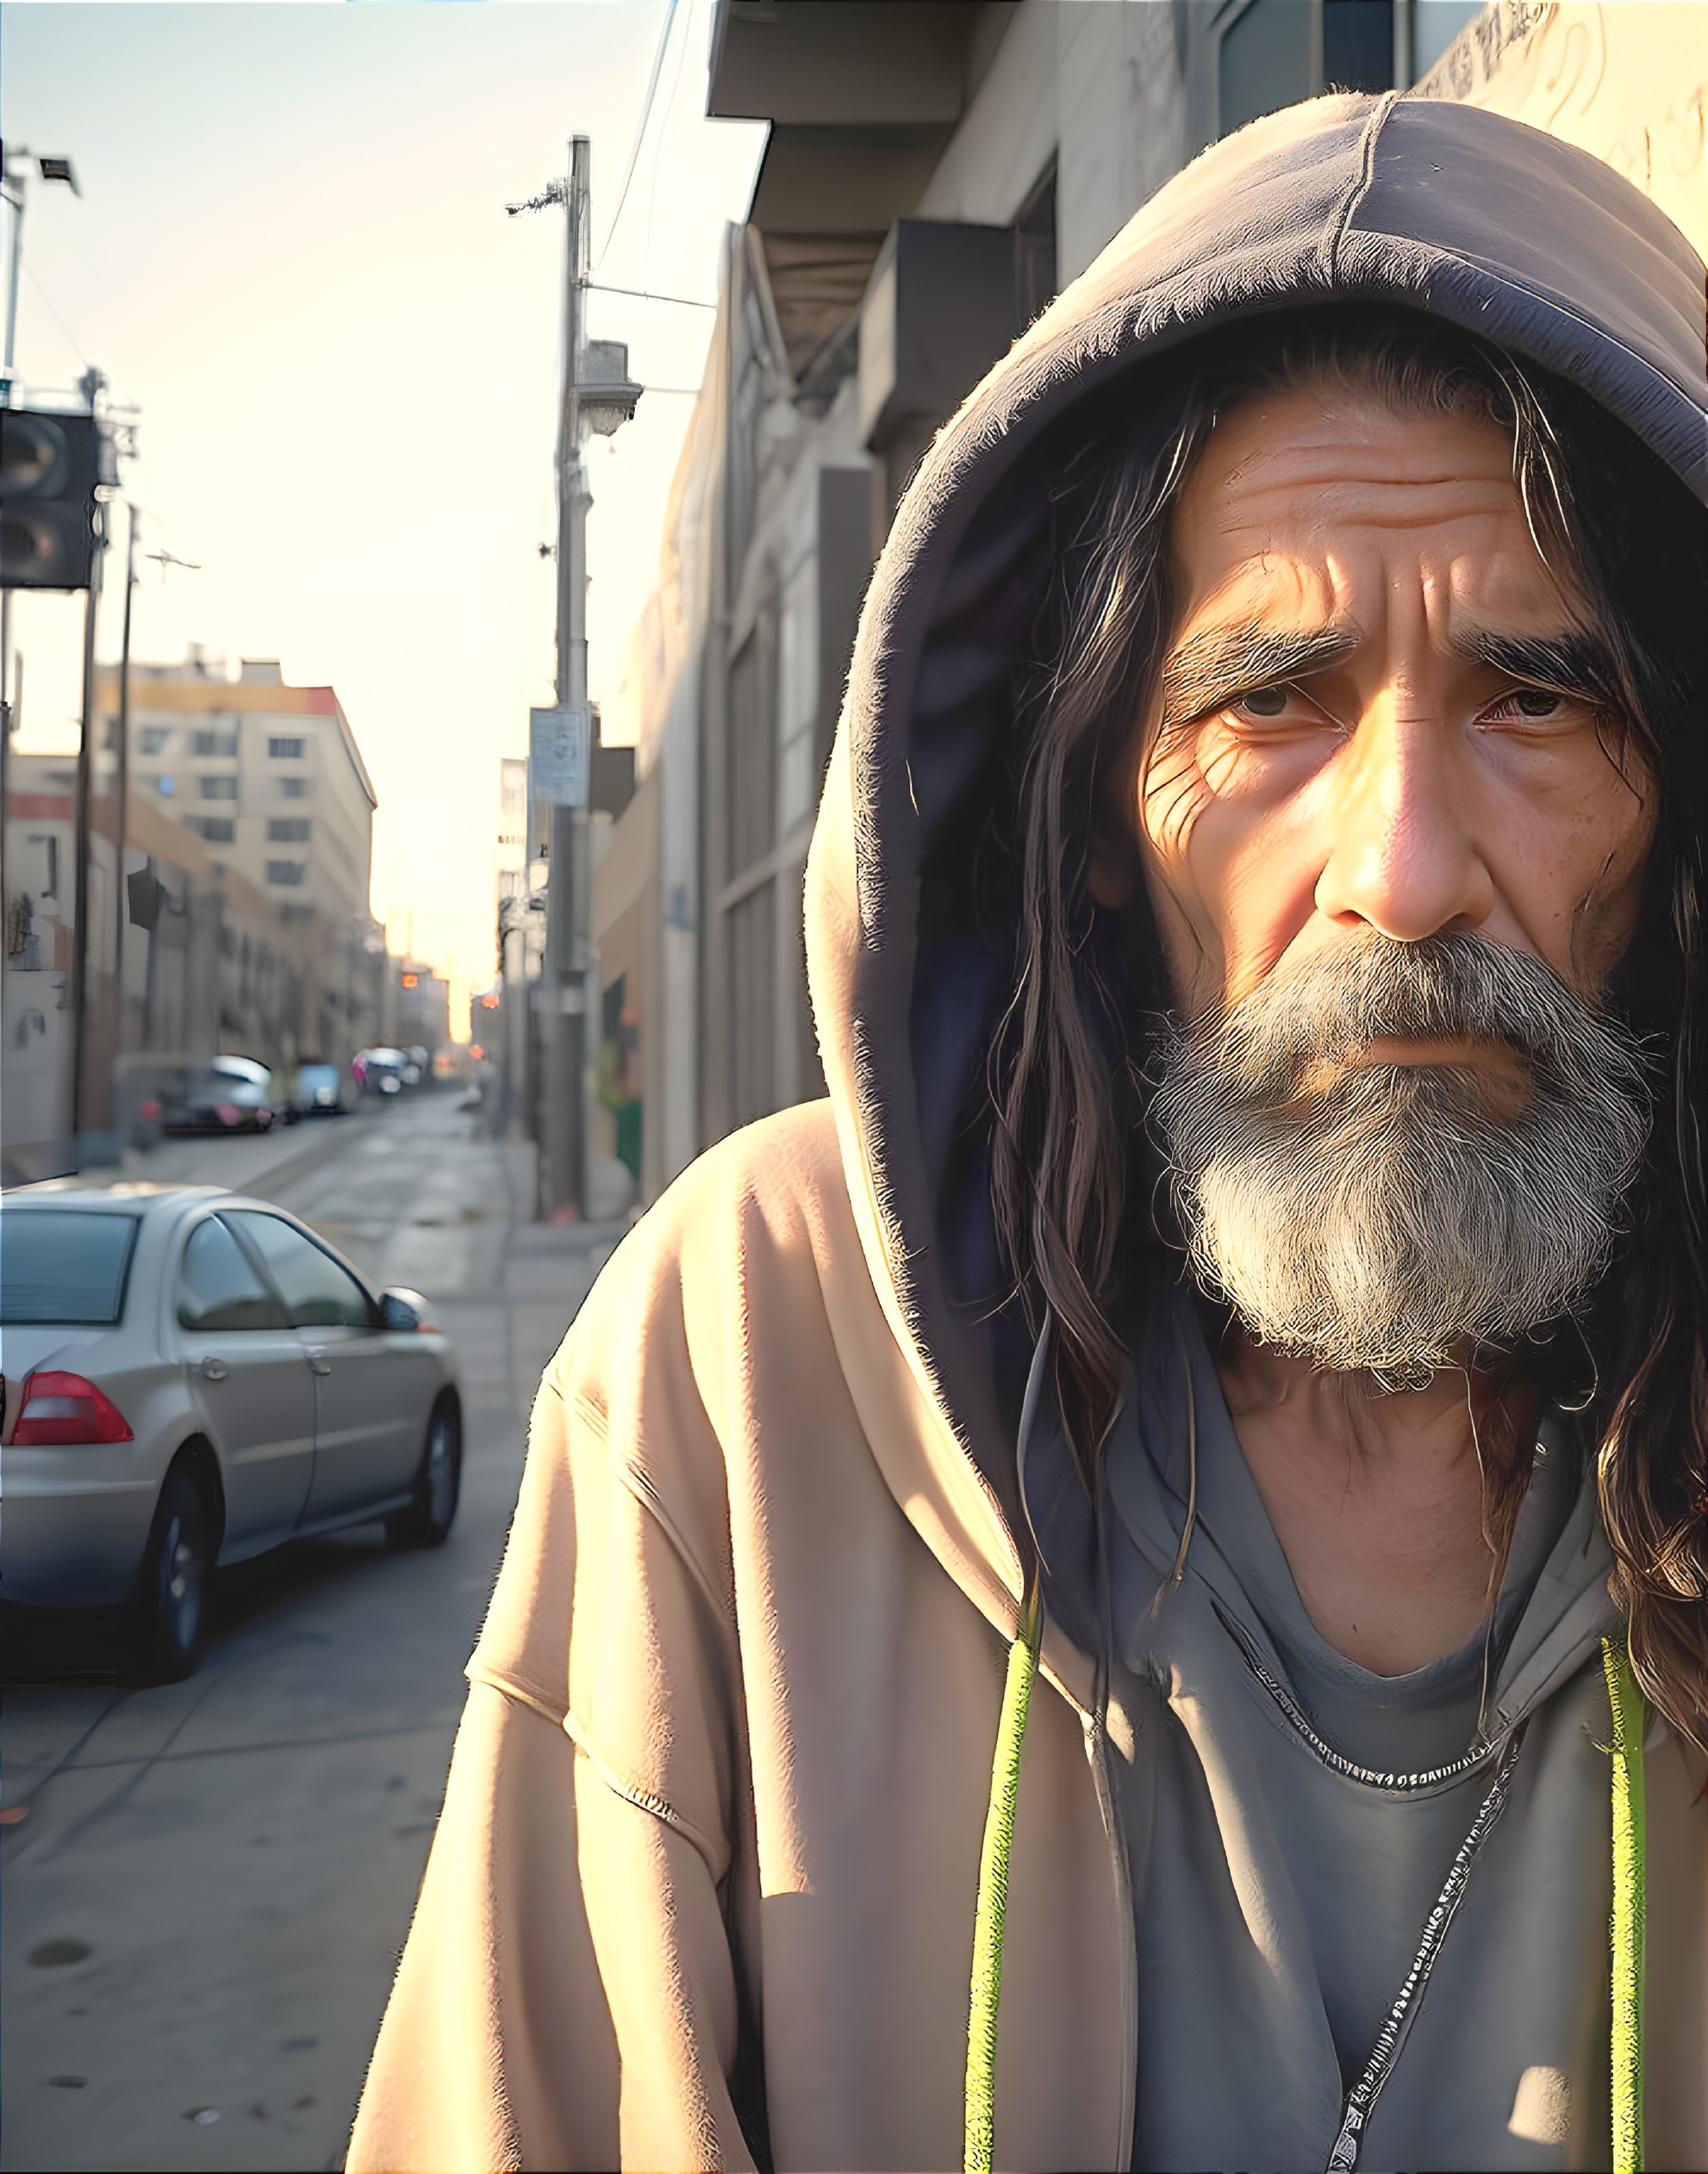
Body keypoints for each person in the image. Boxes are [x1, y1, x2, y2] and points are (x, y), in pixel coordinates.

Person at [349, 91, 1707, 2173]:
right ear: (1092, 824)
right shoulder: (747, 1362)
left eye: (1540, 702)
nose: (1407, 868)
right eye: (1269, 704)